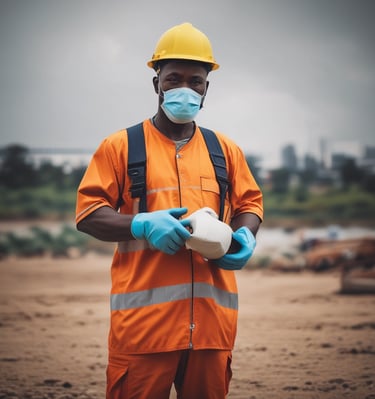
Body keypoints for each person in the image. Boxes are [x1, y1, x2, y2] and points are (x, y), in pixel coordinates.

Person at [76, 22, 263, 399]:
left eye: (195, 81)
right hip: (144, 331)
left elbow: (249, 203)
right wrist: (141, 224)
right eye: (173, 78)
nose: (185, 88)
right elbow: (89, 213)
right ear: (156, 82)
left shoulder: (224, 150)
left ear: (207, 88)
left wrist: (245, 234)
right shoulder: (120, 147)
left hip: (212, 330)